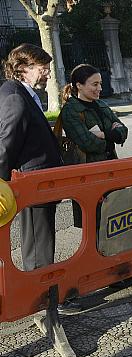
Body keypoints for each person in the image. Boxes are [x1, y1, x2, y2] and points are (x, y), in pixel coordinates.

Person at [0, 43, 62, 271]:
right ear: (23, 67)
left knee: (41, 242)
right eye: (42, 67)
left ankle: (45, 294)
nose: (47, 72)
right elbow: (6, 144)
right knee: (39, 246)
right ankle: (45, 298)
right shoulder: (15, 96)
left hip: (37, 182)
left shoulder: (19, 92)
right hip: (32, 184)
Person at [60, 64, 128, 227]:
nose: (100, 88)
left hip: (111, 168)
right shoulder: (71, 111)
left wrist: (105, 135)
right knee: (95, 221)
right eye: (95, 84)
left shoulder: (101, 105)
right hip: (89, 173)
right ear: (79, 86)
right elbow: (88, 143)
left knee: (115, 219)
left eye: (100, 83)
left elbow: (123, 130)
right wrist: (112, 137)